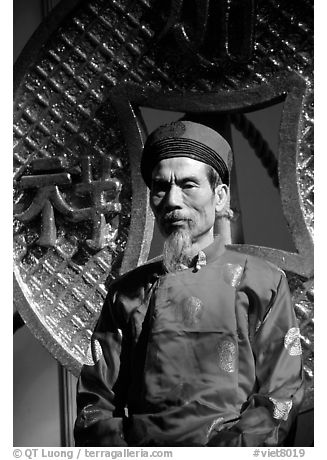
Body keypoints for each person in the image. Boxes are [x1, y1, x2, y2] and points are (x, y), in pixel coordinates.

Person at [74, 120, 304, 447]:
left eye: (188, 185)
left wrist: (230, 449)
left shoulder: (263, 282)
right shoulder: (125, 293)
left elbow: (282, 393)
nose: (172, 200)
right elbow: (94, 401)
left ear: (220, 196)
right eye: (160, 187)